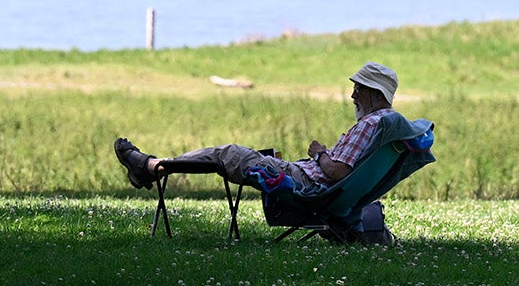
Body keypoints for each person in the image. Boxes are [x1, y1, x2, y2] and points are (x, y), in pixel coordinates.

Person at [114, 61, 400, 190]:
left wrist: (319, 154)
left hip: (304, 183)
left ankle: (152, 167)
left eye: (358, 90)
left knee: (227, 154)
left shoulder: (370, 125)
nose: (352, 96)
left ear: (375, 94)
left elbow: (338, 172)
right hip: (304, 177)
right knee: (247, 155)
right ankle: (154, 168)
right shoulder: (383, 124)